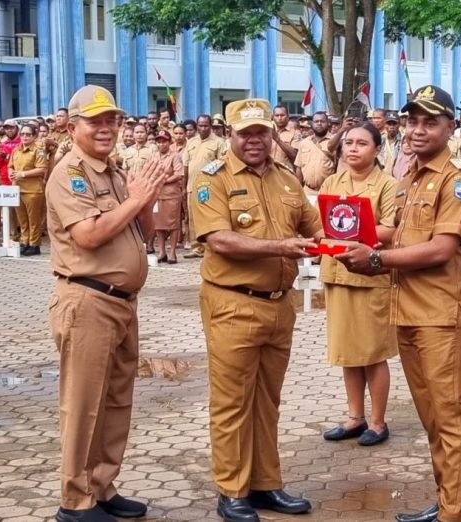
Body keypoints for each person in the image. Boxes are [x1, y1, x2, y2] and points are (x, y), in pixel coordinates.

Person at [335, 85, 461, 522]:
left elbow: (440, 249)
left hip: (446, 318)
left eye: (430, 122)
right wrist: (338, 235)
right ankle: (447, 503)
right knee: (434, 420)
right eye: (412, 120)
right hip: (410, 313)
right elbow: (395, 234)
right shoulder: (409, 179)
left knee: (453, 421)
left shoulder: (458, 180)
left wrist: (375, 260)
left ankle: (455, 515)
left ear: (449, 127)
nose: (418, 130)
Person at [191, 98, 322, 522]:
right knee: (232, 403)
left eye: (261, 132)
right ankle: (232, 490)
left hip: (278, 307)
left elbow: (313, 225)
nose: (254, 140)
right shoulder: (212, 179)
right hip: (233, 303)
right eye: (245, 133)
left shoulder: (286, 179)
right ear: (230, 134)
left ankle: (266, 484)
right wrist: (281, 247)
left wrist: (347, 236)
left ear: (271, 134)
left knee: (268, 400)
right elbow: (220, 240)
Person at [46, 85, 166, 522]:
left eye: (112, 119)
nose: (106, 128)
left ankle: (101, 486)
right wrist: (135, 199)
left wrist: (145, 200)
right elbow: (89, 235)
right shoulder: (69, 174)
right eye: (94, 120)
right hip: (87, 301)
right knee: (83, 404)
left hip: (121, 302)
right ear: (72, 125)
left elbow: (142, 233)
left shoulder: (113, 172)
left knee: (115, 401)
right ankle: (74, 501)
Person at [318, 122, 397, 447]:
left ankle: (377, 422)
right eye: (348, 142)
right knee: (347, 351)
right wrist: (329, 235)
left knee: (372, 353)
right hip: (337, 274)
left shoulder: (388, 185)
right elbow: (320, 225)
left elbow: (391, 230)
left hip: (370, 276)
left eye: (361, 143)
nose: (352, 148)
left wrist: (349, 231)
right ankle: (355, 416)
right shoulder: (332, 182)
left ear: (377, 149)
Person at [184, 114, 228, 259]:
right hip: (191, 185)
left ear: (210, 126)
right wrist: (184, 186)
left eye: (205, 125)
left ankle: (209, 246)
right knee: (192, 218)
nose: (203, 128)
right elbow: (186, 165)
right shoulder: (191, 142)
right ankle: (196, 247)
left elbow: (222, 163)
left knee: (208, 216)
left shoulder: (219, 142)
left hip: (208, 186)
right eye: (200, 125)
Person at [9, 123, 48, 256]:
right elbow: (11, 165)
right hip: (18, 188)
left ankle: (34, 244)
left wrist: (23, 174)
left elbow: (42, 169)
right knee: (22, 219)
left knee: (33, 219)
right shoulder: (16, 149)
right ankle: (24, 241)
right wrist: (11, 173)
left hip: (33, 189)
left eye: (28, 134)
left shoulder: (38, 150)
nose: (25, 137)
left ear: (34, 136)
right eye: (23, 134)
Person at [152, 130, 184, 263]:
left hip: (171, 195)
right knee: (158, 224)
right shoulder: (153, 156)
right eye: (158, 142)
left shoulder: (175, 156)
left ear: (169, 142)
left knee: (173, 224)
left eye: (164, 141)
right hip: (156, 195)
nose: (161, 144)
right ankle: (162, 251)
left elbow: (179, 174)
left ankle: (172, 252)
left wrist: (164, 180)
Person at [294, 112, 335, 194]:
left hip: (329, 191)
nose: (319, 124)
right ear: (312, 124)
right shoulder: (304, 143)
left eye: (322, 121)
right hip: (307, 191)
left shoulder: (335, 141)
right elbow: (299, 167)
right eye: (316, 121)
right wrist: (299, 189)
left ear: (328, 123)